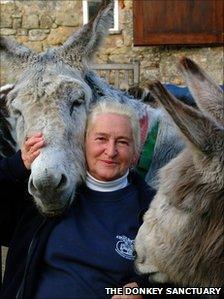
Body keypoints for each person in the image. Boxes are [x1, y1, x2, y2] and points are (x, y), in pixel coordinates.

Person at [0, 99, 156, 299]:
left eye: (122, 142)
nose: (110, 151)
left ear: (135, 153)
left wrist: (144, 290)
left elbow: (185, 283)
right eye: (101, 139)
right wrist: (16, 166)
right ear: (83, 143)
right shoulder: (48, 193)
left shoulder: (154, 211)